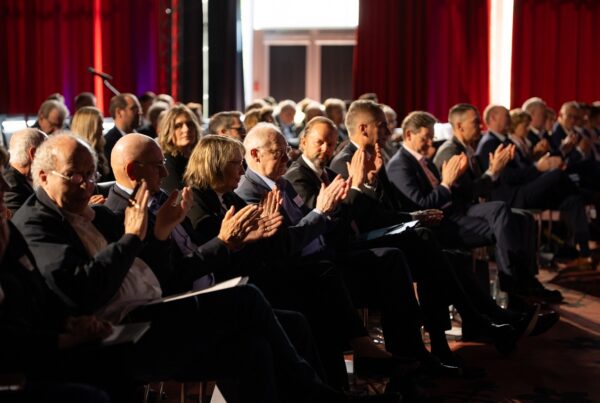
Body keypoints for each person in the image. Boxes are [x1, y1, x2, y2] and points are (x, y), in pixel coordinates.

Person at [11, 133, 390, 403]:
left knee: (253, 347)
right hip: (115, 333)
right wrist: (135, 237)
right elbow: (85, 289)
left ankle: (319, 391)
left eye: (92, 175)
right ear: (43, 177)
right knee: (251, 298)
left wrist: (161, 234)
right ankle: (316, 392)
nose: (87, 185)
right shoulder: (40, 222)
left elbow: (160, 271)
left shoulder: (101, 212)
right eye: (77, 176)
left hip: (150, 310)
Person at [184, 135, 411, 391]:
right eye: (237, 164)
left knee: (327, 284)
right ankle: (334, 379)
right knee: (317, 291)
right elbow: (224, 257)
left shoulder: (233, 196)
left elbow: (268, 242)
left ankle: (340, 381)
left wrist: (262, 234)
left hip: (272, 270)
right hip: (237, 285)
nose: (242, 170)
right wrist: (253, 237)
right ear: (215, 164)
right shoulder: (201, 201)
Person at [476, 104, 591, 266]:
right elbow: (507, 177)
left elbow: (523, 168)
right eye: (506, 116)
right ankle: (587, 195)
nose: (509, 119)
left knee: (573, 200)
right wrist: (538, 168)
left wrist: (536, 162)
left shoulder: (504, 141)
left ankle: (584, 252)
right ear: (493, 118)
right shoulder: (490, 143)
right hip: (513, 196)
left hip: (524, 189)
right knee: (557, 174)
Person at [157, 104, 201, 194]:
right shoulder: (167, 162)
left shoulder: (200, 157)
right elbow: (176, 197)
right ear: (168, 130)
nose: (186, 129)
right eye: (178, 126)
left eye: (190, 124)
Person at [3, 128, 47, 213]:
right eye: (47, 153)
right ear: (34, 153)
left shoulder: (24, 179)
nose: (51, 161)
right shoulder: (10, 186)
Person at [103, 94, 142, 180]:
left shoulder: (144, 138)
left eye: (139, 108)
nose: (140, 112)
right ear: (119, 112)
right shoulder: (108, 143)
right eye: (134, 108)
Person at [70, 107, 110, 182]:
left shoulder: (101, 149)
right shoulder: (77, 155)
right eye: (99, 124)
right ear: (89, 127)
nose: (103, 128)